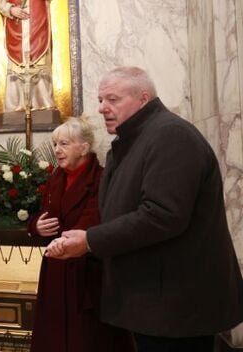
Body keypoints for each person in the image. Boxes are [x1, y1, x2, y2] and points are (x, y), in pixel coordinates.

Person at [46, 66, 243, 351]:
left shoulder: (170, 135)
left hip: (176, 303)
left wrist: (90, 241)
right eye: (101, 100)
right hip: (154, 300)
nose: (102, 108)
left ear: (143, 98)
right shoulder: (134, 140)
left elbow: (163, 215)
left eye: (113, 99)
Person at [27, 117, 133, 352]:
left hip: (87, 272)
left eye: (64, 144)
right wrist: (36, 226)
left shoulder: (103, 177)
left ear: (84, 148)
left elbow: (94, 217)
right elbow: (44, 214)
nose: (57, 150)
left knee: (87, 338)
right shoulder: (56, 177)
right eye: (55, 144)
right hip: (56, 270)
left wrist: (65, 242)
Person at [0, 0, 56, 111]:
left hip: (37, 26)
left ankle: (43, 105)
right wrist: (11, 9)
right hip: (16, 28)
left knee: (39, 64)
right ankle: (15, 107)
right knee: (16, 69)